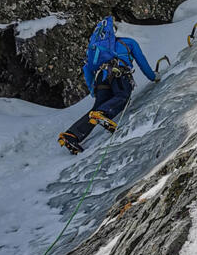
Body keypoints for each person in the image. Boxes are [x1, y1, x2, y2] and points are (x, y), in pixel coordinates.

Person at [58, 18, 159, 154]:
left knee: (96, 108)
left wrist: (93, 90)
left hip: (100, 78)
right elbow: (142, 62)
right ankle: (103, 114)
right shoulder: (128, 42)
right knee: (122, 96)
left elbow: (87, 70)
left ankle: (72, 135)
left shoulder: (95, 50)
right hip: (118, 74)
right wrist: (153, 77)